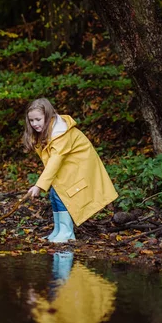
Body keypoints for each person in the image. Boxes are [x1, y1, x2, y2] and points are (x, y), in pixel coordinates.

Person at [23, 98, 118, 243]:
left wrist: (39, 185)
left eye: (38, 119)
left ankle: (67, 232)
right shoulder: (48, 132)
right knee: (55, 194)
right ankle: (58, 230)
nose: (35, 124)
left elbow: (55, 160)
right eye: (31, 120)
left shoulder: (60, 133)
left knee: (63, 196)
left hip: (79, 167)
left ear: (48, 116)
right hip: (67, 167)